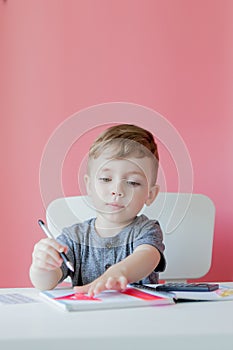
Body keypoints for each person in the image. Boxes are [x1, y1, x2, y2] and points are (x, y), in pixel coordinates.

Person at [30, 124, 166, 296]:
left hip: (138, 317)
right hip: (86, 320)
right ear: (89, 185)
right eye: (105, 178)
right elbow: (46, 283)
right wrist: (42, 266)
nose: (117, 190)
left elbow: (148, 256)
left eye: (133, 182)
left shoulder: (147, 230)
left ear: (150, 194)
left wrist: (119, 273)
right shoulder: (74, 238)